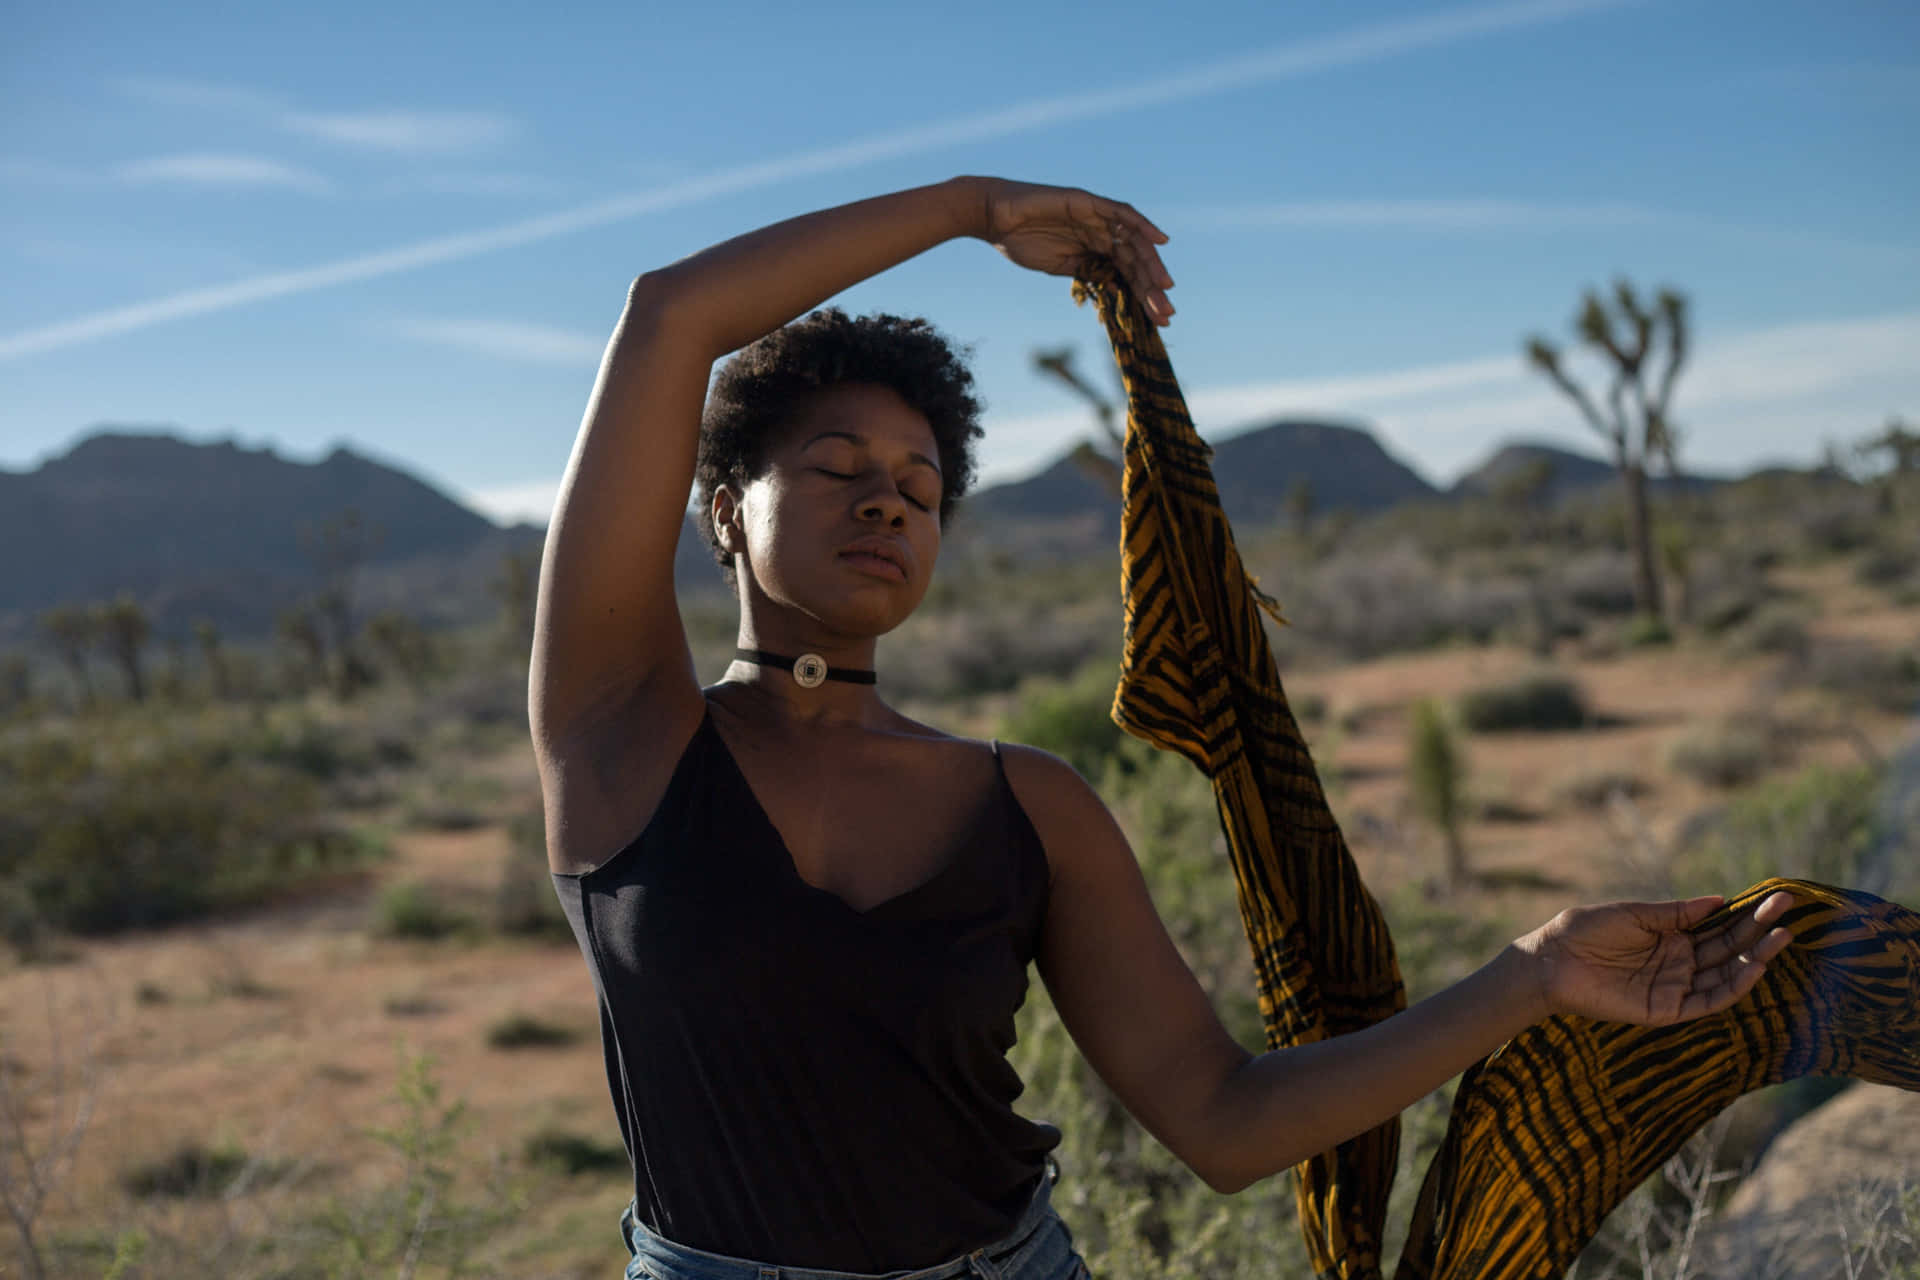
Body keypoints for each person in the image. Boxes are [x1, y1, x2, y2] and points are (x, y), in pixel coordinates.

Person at [533, 176, 1796, 1280]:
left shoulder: (1026, 804)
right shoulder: (623, 735)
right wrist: (977, 211)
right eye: (836, 467)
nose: (886, 503)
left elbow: (1223, 1114)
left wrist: (1532, 971)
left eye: (920, 488)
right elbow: (668, 318)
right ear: (722, 512)